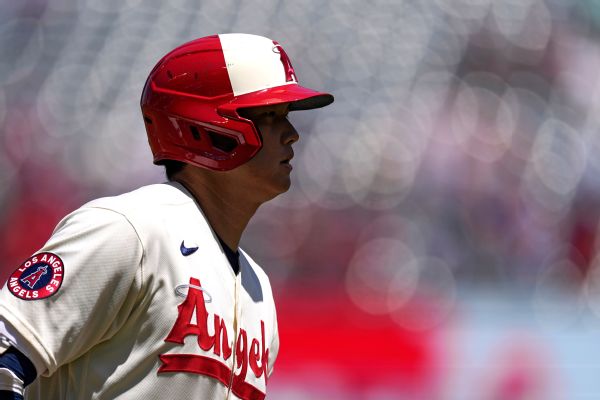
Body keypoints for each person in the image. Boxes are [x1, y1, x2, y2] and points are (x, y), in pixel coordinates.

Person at [0, 33, 333, 400]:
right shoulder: (130, 229)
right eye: (270, 115)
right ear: (208, 128)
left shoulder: (259, 290)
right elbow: (6, 350)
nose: (291, 134)